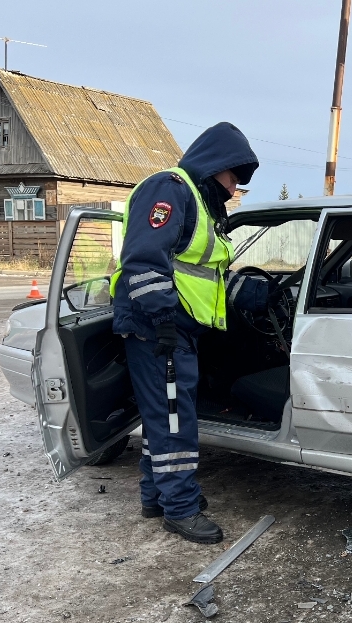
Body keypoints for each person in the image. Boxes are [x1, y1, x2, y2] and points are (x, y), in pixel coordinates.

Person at [110, 122, 272, 544]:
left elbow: (199, 270)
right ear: (216, 165)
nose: (234, 188)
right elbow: (144, 260)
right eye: (233, 178)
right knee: (174, 420)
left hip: (175, 329)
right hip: (158, 328)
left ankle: (156, 497)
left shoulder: (198, 201)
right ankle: (179, 509)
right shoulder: (171, 189)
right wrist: (163, 319)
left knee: (162, 417)